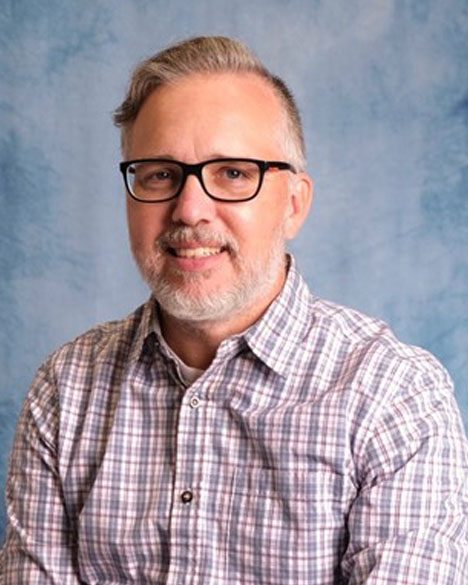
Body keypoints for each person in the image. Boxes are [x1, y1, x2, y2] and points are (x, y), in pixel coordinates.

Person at [1, 35, 467, 585]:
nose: (190, 209)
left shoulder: (394, 397)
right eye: (159, 174)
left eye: (233, 173)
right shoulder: (67, 388)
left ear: (294, 203)